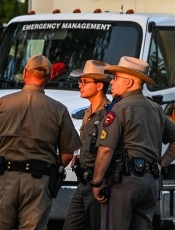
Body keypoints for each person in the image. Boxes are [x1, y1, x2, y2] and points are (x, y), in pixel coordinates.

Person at [0, 54, 82, 230]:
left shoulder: (2, 103)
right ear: (48, 77)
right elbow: (67, 154)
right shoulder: (59, 110)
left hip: (6, 178)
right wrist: (52, 167)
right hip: (39, 182)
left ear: (25, 73)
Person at [91, 56, 175, 230]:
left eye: (116, 78)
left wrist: (97, 182)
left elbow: (106, 150)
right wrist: (161, 164)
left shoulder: (119, 108)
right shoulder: (155, 109)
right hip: (150, 183)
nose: (111, 83)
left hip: (123, 182)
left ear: (128, 82)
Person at [63, 60, 112, 230]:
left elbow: (107, 149)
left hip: (96, 185)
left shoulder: (108, 114)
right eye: (80, 81)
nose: (80, 85)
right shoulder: (88, 112)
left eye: (85, 82)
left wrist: (99, 181)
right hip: (83, 183)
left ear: (99, 86)